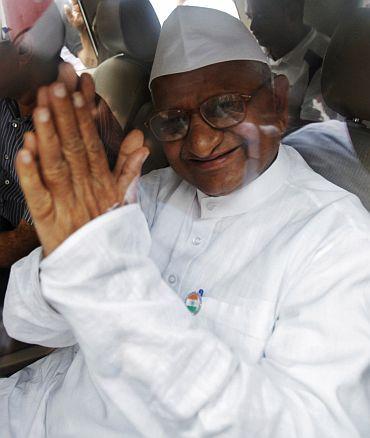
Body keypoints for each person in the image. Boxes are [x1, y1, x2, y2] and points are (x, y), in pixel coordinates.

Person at [1, 6, 370, 437]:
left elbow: (307, 426)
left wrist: (105, 282)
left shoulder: (338, 241)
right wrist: (76, 244)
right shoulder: (151, 191)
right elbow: (24, 320)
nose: (199, 140)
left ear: (275, 101)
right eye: (174, 121)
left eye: (226, 106)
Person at [0, 4, 122, 302]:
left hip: (45, 263)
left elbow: (31, 241)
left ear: (23, 51)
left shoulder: (73, 119)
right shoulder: (8, 102)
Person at [247, 0, 337, 129]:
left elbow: (311, 132)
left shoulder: (324, 61)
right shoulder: (254, 52)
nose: (252, 26)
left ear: (292, 12)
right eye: (249, 17)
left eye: (261, 16)